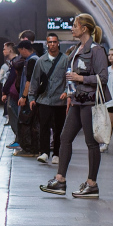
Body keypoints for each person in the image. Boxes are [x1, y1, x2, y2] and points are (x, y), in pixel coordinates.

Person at [41, 13, 109, 199]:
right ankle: (60, 180)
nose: (72, 28)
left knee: (91, 142)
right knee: (65, 137)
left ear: (84, 28)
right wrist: (70, 91)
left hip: (89, 101)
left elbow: (103, 78)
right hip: (77, 100)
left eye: (75, 25)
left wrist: (80, 78)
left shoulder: (96, 50)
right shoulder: (76, 49)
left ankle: (92, 184)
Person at [26, 34, 69, 164]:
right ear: (46, 44)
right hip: (44, 99)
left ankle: (56, 153)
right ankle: (44, 152)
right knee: (44, 126)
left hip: (59, 100)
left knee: (58, 128)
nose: (52, 44)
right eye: (50, 42)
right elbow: (34, 80)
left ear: (58, 43)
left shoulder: (65, 60)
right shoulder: (40, 61)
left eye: (55, 42)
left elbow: (69, 77)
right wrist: (31, 97)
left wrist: (67, 92)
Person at [13, 40, 39, 156]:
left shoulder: (32, 61)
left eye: (20, 51)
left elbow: (29, 81)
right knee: (31, 123)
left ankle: (29, 149)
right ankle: (32, 149)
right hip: (33, 97)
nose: (20, 54)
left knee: (26, 123)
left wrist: (24, 96)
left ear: (24, 49)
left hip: (29, 98)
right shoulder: (35, 59)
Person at [1, 42, 21, 147]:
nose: (3, 51)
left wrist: (5, 91)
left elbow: (11, 78)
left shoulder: (15, 62)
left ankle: (18, 140)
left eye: (4, 49)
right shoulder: (14, 62)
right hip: (14, 93)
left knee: (14, 116)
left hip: (14, 94)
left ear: (10, 50)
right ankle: (18, 139)